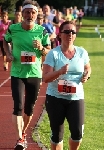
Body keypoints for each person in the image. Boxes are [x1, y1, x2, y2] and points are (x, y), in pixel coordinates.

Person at [3, 0, 51, 149]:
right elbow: (5, 41)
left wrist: (41, 48)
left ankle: (22, 134)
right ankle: (19, 138)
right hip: (17, 73)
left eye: (33, 12)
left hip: (35, 74)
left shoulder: (42, 31)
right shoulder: (13, 29)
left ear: (37, 15)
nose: (30, 15)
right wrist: (8, 53)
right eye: (27, 12)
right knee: (17, 107)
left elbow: (48, 51)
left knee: (29, 109)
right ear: (22, 14)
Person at [43, 21, 91, 150]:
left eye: (73, 32)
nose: (70, 34)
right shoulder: (53, 54)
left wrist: (87, 75)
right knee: (57, 135)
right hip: (55, 98)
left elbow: (88, 68)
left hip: (76, 98)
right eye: (67, 31)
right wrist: (59, 72)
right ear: (60, 34)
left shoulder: (82, 52)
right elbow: (45, 77)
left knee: (77, 133)